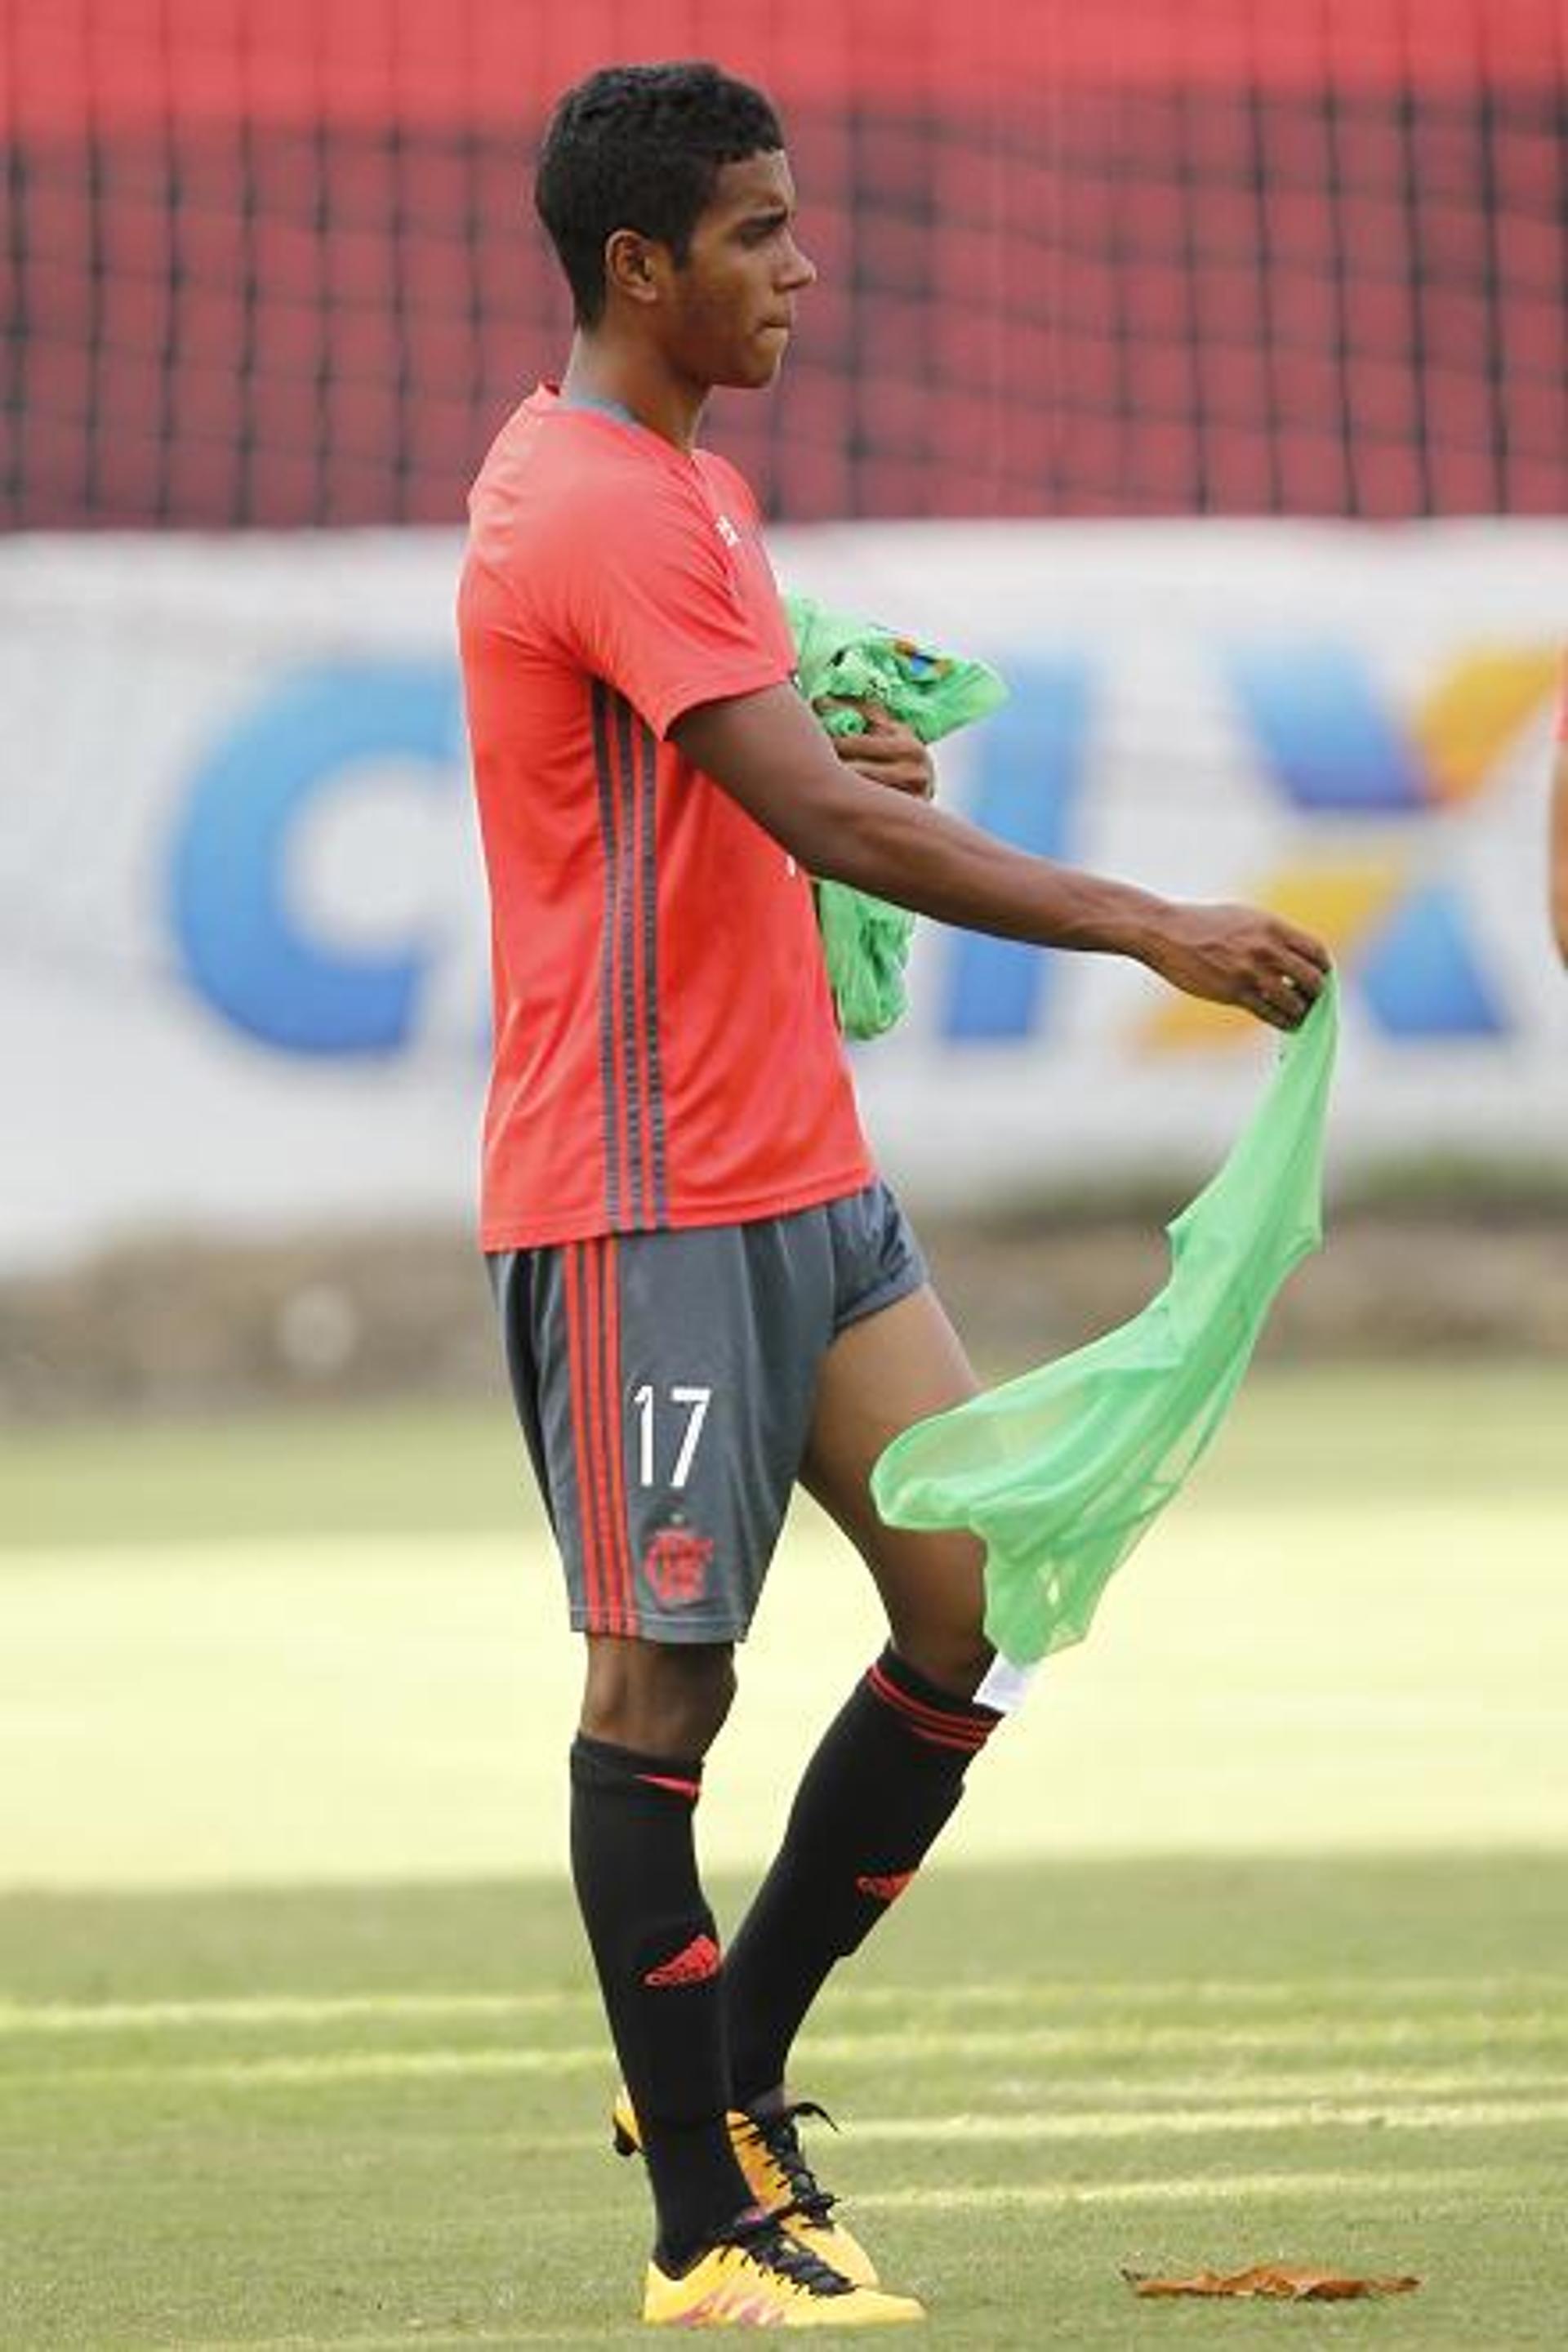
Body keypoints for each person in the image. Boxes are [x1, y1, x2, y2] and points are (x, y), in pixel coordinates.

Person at [457, 60, 1331, 2332]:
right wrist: (1153, 925)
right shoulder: (596, 505)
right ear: (640, 264)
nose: (803, 266)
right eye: (759, 230)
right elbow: (840, 834)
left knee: (982, 1600)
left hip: (800, 1177)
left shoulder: (693, 494)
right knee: (660, 1699)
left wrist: (850, 760)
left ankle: (726, 2087)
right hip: (649, 1198)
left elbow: (791, 791)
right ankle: (700, 2250)